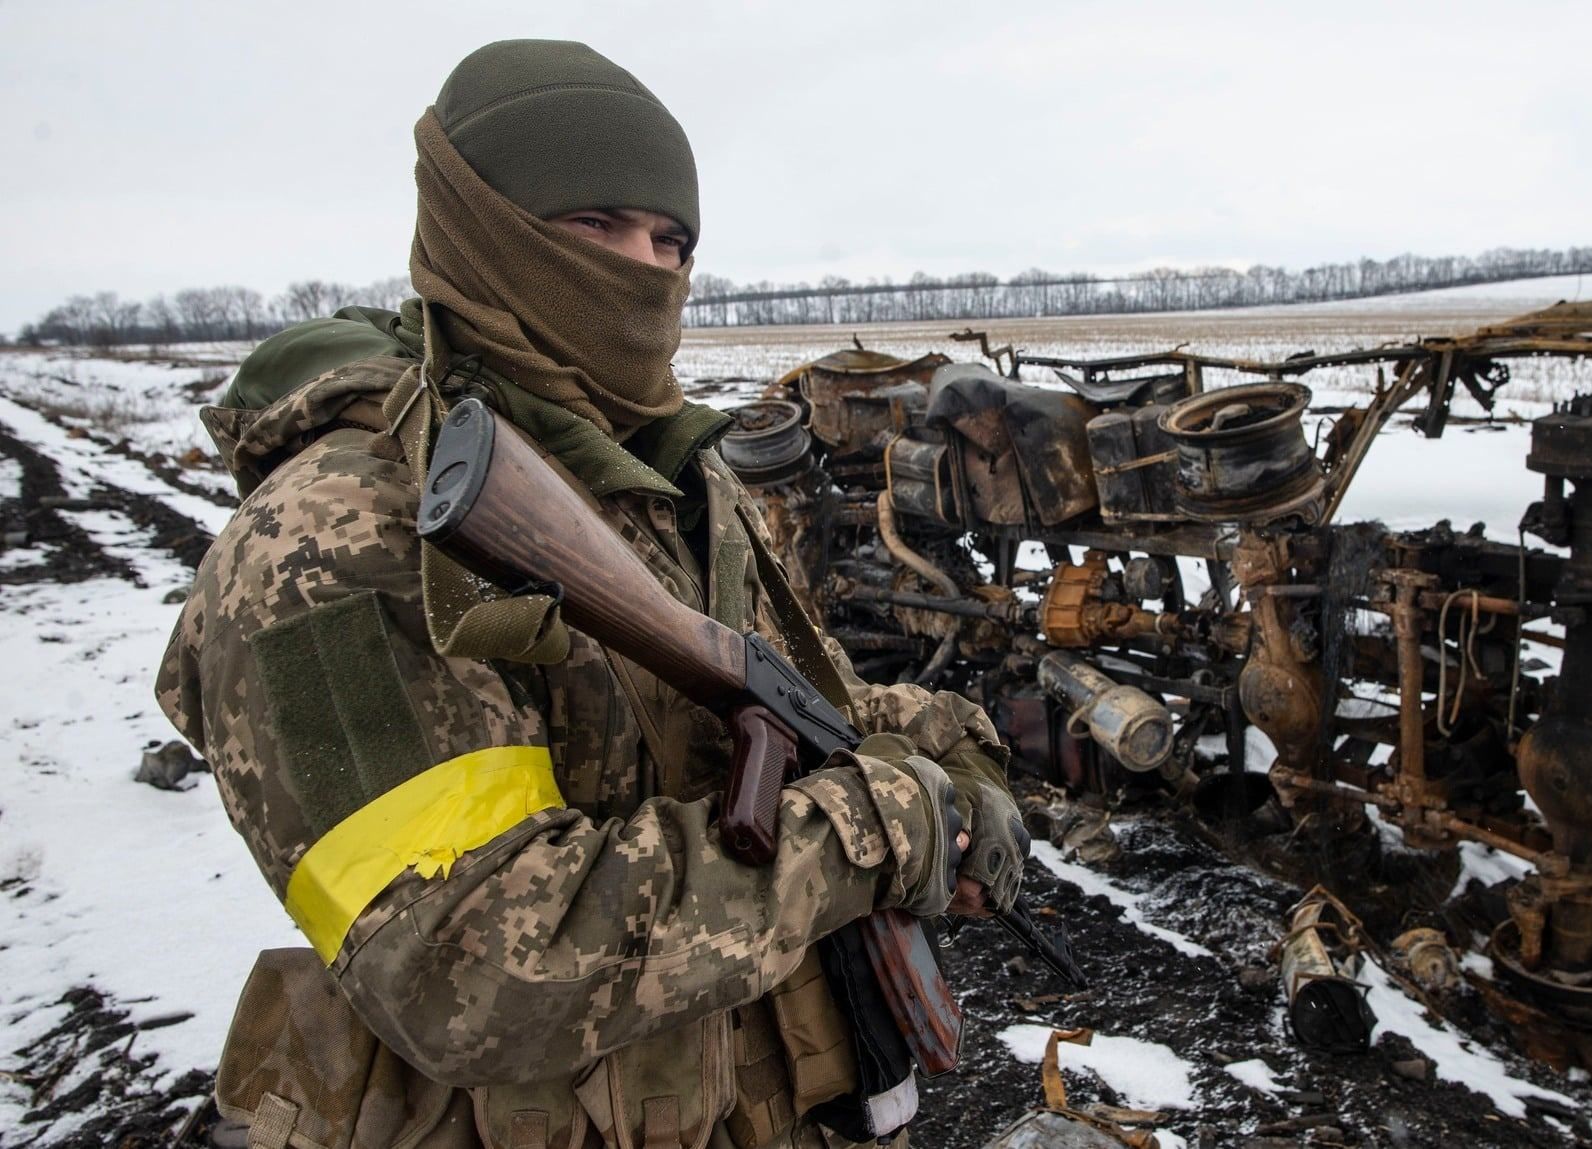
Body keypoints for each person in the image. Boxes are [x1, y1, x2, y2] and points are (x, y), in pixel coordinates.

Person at [158, 39, 1025, 1149]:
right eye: (593, 227)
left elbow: (817, 700)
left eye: (670, 241)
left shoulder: (665, 470)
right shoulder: (332, 531)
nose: (643, 268)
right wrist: (875, 828)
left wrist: (951, 755)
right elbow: (472, 966)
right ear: (477, 229)